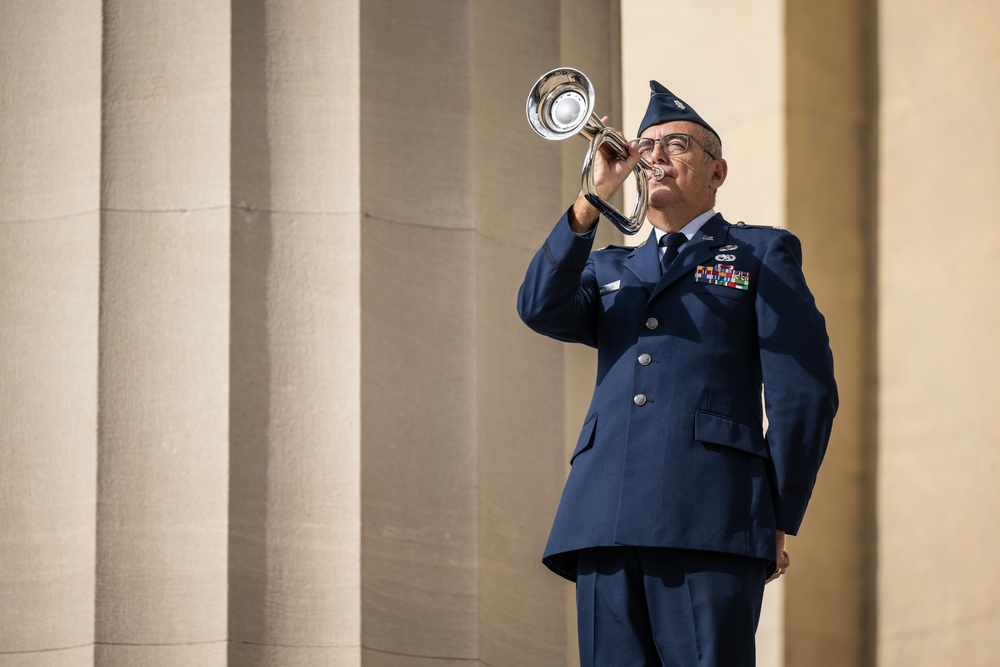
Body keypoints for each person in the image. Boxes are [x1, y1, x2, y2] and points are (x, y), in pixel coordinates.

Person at [516, 81, 838, 666]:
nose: (656, 155)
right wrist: (592, 200)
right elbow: (538, 305)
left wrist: (778, 513)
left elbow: (804, 393)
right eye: (647, 146)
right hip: (603, 519)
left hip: (712, 515)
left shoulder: (759, 253)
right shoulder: (612, 264)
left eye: (678, 145)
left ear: (717, 171)